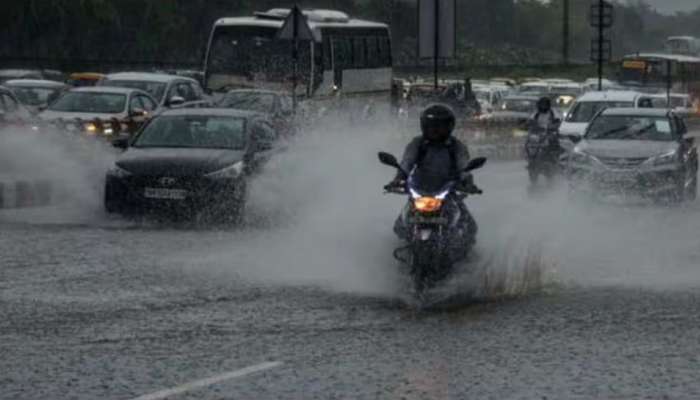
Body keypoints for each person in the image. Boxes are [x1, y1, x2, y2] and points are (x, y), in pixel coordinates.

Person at [387, 103, 480, 243]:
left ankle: (463, 249)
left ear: (449, 127)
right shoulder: (417, 144)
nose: (435, 131)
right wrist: (398, 179)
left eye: (440, 126)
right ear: (424, 126)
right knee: (399, 226)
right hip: (420, 189)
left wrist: (467, 182)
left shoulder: (456, 146)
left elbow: (464, 166)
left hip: (447, 190)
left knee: (470, 227)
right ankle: (407, 244)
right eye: (431, 126)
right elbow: (407, 162)